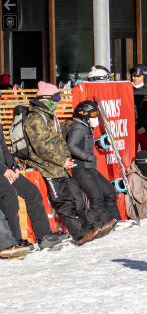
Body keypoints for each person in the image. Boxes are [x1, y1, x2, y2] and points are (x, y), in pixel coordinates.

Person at [23, 82, 105, 244]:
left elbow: (57, 141)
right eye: (56, 97)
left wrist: (65, 160)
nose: (58, 101)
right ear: (46, 98)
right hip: (49, 168)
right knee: (64, 203)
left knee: (77, 198)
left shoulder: (48, 116)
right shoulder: (35, 119)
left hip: (62, 166)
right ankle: (80, 234)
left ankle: (94, 226)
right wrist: (61, 161)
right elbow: (42, 147)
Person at [0, 128, 69, 250]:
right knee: (10, 195)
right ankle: (16, 242)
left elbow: (4, 149)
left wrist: (13, 165)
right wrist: (4, 169)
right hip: (2, 171)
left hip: (6, 170)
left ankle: (43, 237)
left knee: (31, 191)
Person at [64, 101, 121, 227]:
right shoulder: (79, 127)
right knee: (96, 198)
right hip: (82, 169)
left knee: (110, 192)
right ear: (84, 114)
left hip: (90, 169)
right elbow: (71, 146)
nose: (95, 117)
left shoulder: (86, 127)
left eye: (96, 113)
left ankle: (116, 221)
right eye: (93, 114)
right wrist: (89, 157)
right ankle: (105, 225)